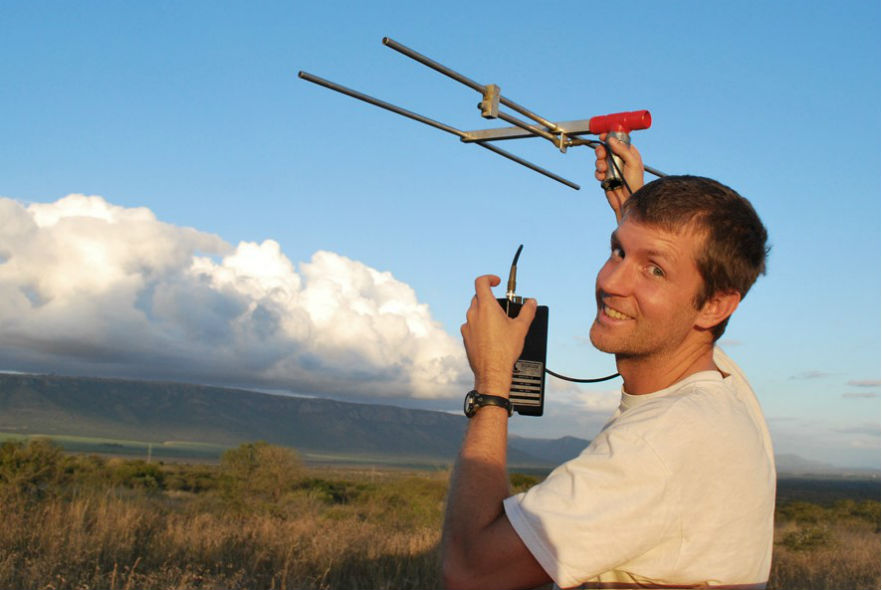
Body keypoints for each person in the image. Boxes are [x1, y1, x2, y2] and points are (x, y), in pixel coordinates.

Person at [441, 136, 775, 589]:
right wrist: (632, 208)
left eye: (654, 269)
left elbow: (470, 571)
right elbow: (672, 290)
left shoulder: (659, 446)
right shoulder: (722, 387)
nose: (611, 281)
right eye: (618, 250)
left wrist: (492, 384)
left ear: (715, 306)